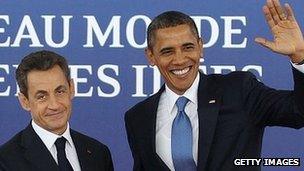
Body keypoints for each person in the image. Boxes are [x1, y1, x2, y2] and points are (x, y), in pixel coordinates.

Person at [124, 0, 304, 170]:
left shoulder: (239, 90)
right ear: (151, 56)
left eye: (188, 47)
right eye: (167, 51)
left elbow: (298, 111)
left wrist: (300, 57)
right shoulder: (138, 118)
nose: (179, 60)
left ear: (200, 46)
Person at [0, 50, 114, 171]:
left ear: (71, 89)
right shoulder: (6, 161)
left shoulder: (98, 153)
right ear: (24, 101)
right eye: (41, 97)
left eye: (60, 92)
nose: (54, 105)